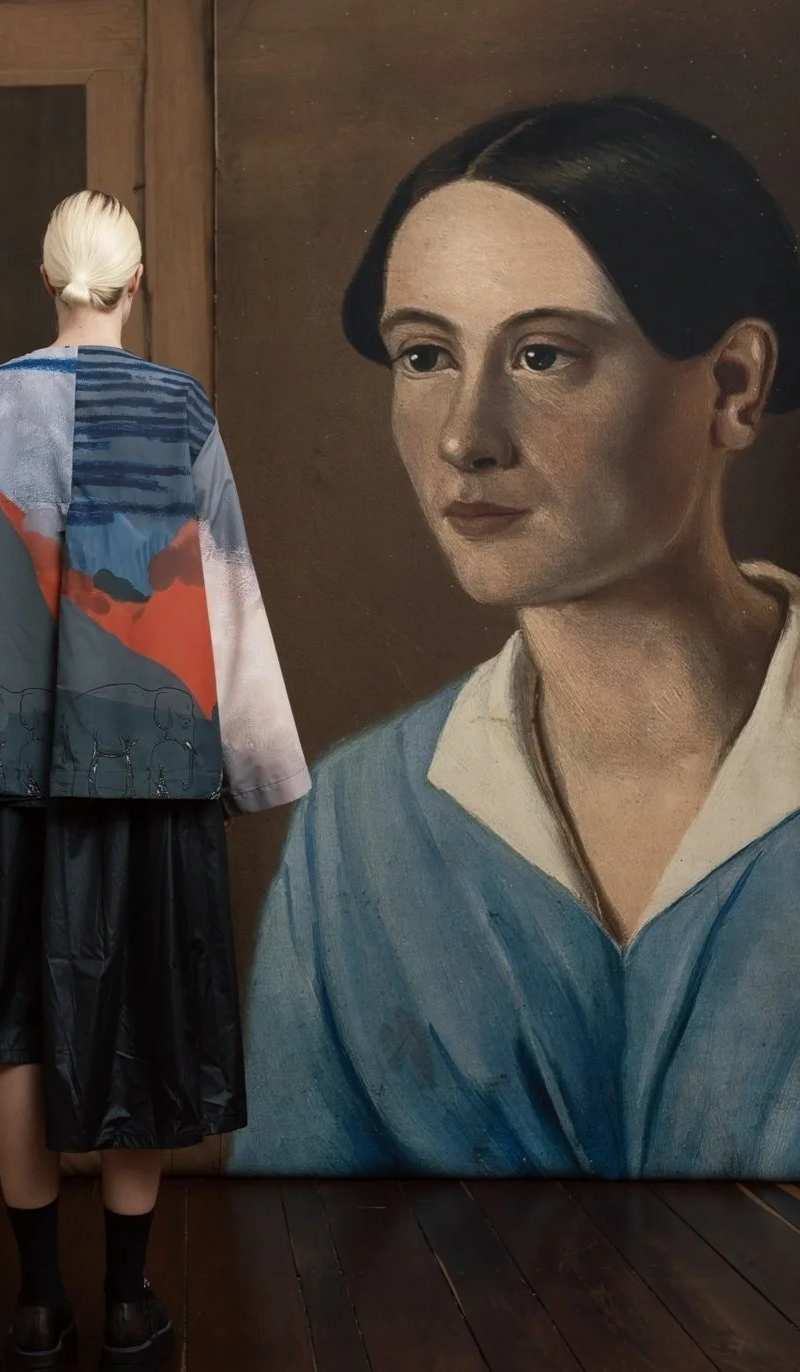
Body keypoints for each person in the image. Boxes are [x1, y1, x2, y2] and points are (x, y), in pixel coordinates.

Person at [227, 96, 800, 1179]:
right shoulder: (357, 825)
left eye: (542, 355)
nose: (464, 437)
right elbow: (297, 1239)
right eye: (425, 356)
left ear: (733, 384)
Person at [0, 190, 310, 1368]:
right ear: (135, 284)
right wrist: (251, 764)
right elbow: (226, 593)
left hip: (4, 765)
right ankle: (127, 1302)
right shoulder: (182, 408)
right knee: (147, 1024)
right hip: (147, 766)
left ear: (47, 277)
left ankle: (36, 1306)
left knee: (14, 1025)